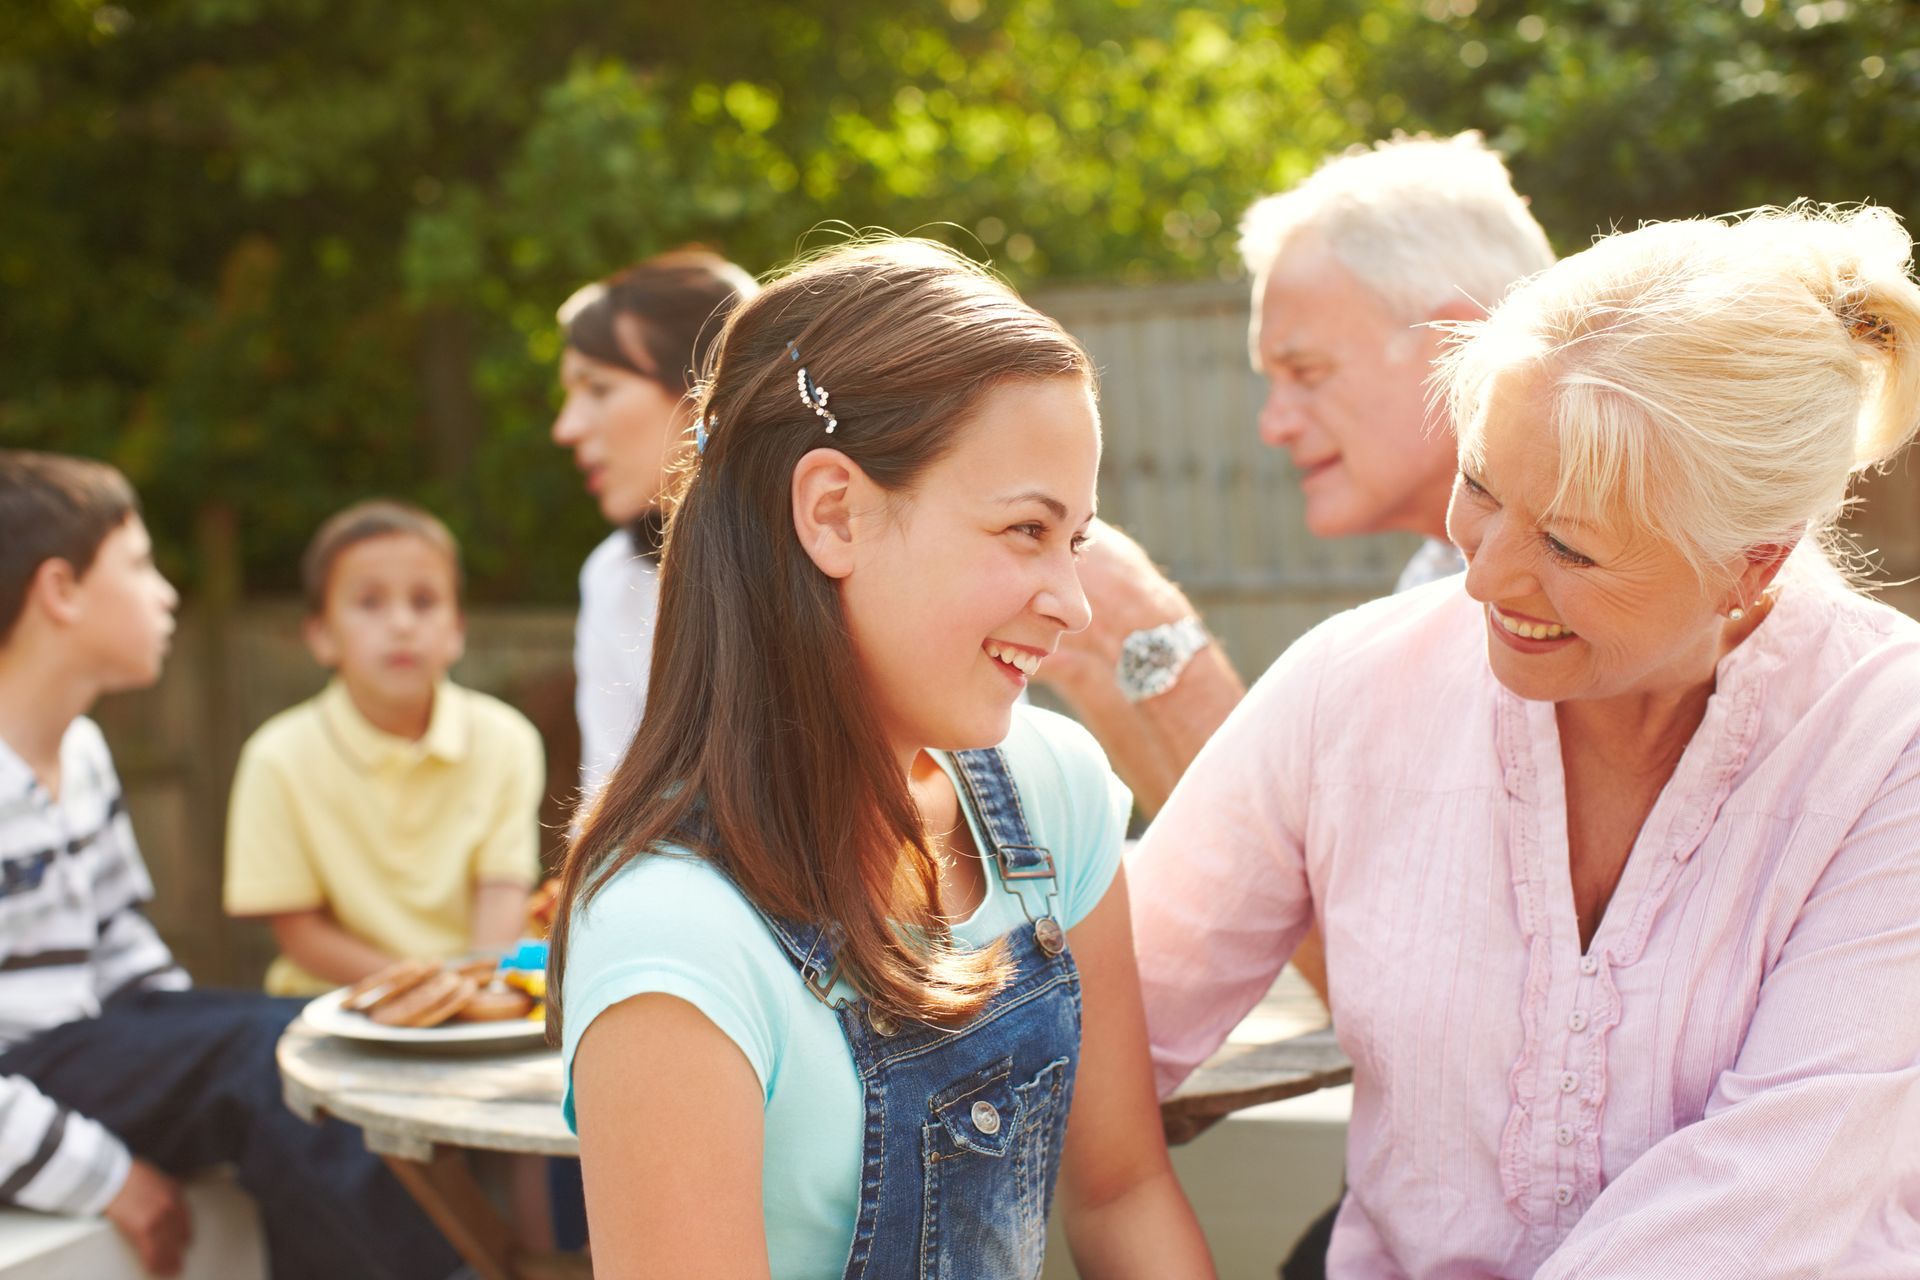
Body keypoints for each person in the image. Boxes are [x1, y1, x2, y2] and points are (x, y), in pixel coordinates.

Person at [1127, 203, 1920, 1276]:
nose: (1487, 574)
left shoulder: (1892, 744)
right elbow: (1104, 1023)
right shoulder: (1352, 682)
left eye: (1568, 545)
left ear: (1754, 565)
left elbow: (1772, 1188)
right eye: (1482, 487)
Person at [550, 238, 1214, 1278]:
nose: (1073, 602)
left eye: (1076, 538)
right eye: (1025, 529)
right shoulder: (671, 933)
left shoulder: (1056, 793)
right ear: (833, 513)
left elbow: (1122, 1194)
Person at [0, 451, 463, 1279]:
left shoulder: (83, 751)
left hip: (87, 1052)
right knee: (268, 1053)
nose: (166, 593)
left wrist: (191, 1045)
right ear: (60, 592)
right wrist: (104, 1177)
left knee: (296, 1039)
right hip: (26, 1078)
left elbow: (121, 948)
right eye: (140, 566)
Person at [1037, 131, 1555, 824]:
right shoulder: (1439, 571)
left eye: (1306, 373)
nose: (1273, 425)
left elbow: (1342, 893)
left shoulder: (1569, 599)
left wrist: (1147, 630)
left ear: (1458, 347)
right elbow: (1252, 900)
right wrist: (1098, 667)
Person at [223, 499, 544, 996]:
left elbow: (502, 894)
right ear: (322, 635)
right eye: (370, 602)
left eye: (423, 601)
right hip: (333, 1004)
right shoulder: (276, 757)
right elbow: (299, 933)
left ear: (457, 631)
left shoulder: (507, 740)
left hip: (480, 994)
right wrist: (423, 991)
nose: (401, 624)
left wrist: (468, 993)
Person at [551, 249, 758, 803]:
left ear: (703, 392)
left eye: (597, 389)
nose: (565, 428)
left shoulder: (842, 550)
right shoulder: (616, 579)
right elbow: (607, 802)